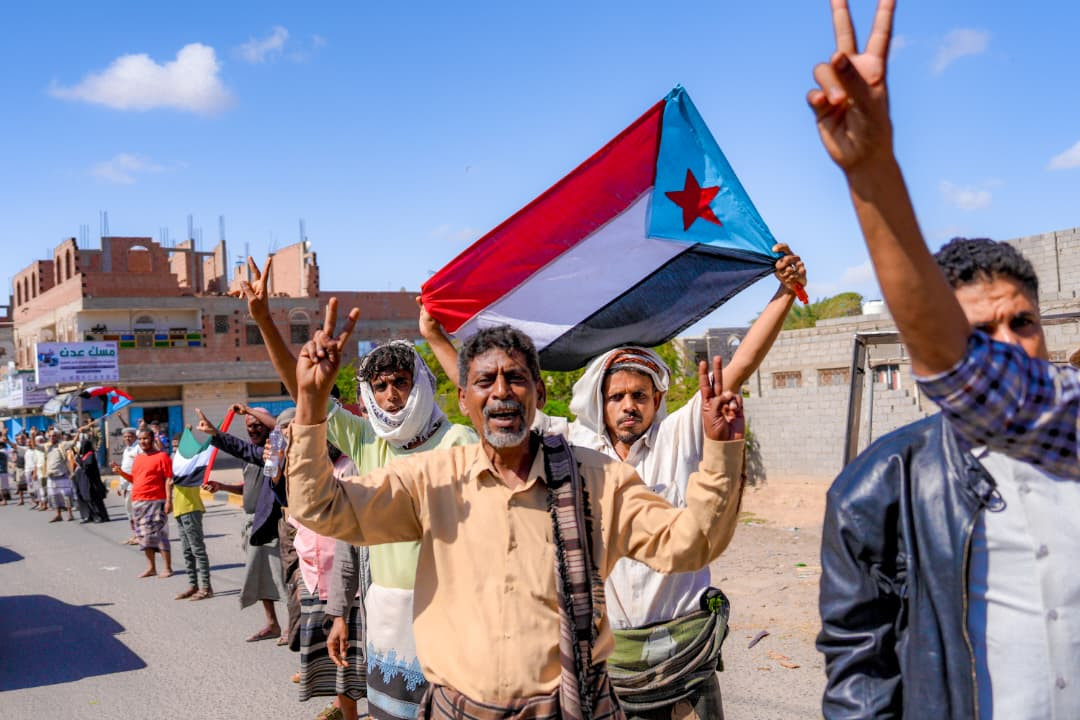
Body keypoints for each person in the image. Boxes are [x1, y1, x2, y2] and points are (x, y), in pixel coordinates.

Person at [808, 3, 1080, 718]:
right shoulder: (878, 486)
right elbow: (859, 668)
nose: (1008, 347)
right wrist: (873, 174)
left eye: (1023, 323)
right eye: (977, 334)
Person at [287, 306, 747, 718]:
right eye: (485, 381)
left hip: (568, 707)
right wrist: (310, 403)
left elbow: (692, 544)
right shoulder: (431, 480)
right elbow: (322, 507)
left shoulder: (596, 479)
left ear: (539, 394)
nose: (501, 392)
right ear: (464, 399)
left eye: (516, 378)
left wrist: (721, 452)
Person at [417, 250, 804, 719]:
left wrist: (784, 294)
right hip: (612, 663)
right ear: (600, 403)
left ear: (657, 399)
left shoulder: (678, 435)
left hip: (684, 651)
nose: (628, 406)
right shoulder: (573, 449)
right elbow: (497, 404)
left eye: (639, 395)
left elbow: (737, 369)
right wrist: (435, 336)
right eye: (616, 396)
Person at [236, 256, 477, 720]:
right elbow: (306, 393)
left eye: (401, 382)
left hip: (451, 613)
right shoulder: (368, 441)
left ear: (420, 383)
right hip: (386, 614)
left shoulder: (458, 442)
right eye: (380, 385)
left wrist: (435, 337)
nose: (391, 394)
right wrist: (264, 320)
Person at [197, 404, 288, 643]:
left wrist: (218, 431)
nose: (253, 429)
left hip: (271, 522)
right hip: (252, 524)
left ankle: (293, 626)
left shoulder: (275, 451)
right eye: (249, 426)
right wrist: (222, 486)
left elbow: (274, 429)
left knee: (283, 577)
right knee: (259, 577)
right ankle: (272, 624)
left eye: (258, 425)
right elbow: (247, 488)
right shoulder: (251, 456)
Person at [113, 429, 173, 577]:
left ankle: (167, 568)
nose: (142, 442)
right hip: (138, 501)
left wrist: (169, 501)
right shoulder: (138, 458)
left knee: (160, 534)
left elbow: (169, 479)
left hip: (156, 500)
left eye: (145, 438)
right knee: (143, 536)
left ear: (152, 439)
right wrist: (121, 473)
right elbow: (135, 479)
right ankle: (151, 567)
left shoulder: (162, 456)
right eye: (140, 439)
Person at [172, 433, 213, 602]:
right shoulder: (177, 463)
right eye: (173, 447)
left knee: (197, 550)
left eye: (178, 446)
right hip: (179, 510)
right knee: (187, 551)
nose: (175, 450)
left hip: (191, 508)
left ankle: (206, 587)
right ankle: (193, 584)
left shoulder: (191, 462)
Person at [71, 434, 109, 523]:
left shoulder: (90, 455)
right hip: (81, 480)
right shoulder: (83, 455)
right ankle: (88, 516)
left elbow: (87, 467)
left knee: (93, 499)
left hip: (90, 482)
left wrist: (79, 460)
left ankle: (100, 516)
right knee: (83, 498)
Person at [42, 429, 75, 522]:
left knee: (66, 495)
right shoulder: (46, 446)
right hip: (51, 476)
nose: (52, 437)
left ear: (57, 436)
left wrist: (79, 432)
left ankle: (70, 514)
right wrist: (32, 436)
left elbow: (73, 442)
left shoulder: (62, 445)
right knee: (54, 496)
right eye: (50, 436)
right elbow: (35, 446)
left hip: (62, 474)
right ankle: (58, 515)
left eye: (54, 436)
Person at [116, 427, 141, 544]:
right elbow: (125, 468)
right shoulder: (127, 450)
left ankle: (140, 536)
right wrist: (121, 486)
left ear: (135, 436)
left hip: (135, 485)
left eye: (129, 436)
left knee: (136, 512)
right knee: (129, 512)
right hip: (126, 486)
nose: (127, 438)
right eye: (125, 437)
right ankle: (135, 535)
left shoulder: (138, 448)